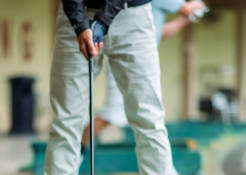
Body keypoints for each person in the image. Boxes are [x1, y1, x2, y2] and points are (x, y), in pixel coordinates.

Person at [27, 0, 195, 175]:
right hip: (77, 14)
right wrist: (79, 23)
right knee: (66, 119)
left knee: (149, 117)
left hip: (132, 16)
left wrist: (103, 21)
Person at [80, 0, 207, 148]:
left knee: (148, 115)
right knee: (113, 115)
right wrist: (197, 7)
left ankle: (168, 170)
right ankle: (78, 147)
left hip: (138, 59)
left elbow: (161, 34)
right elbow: (190, 10)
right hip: (126, 59)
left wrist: (185, 19)